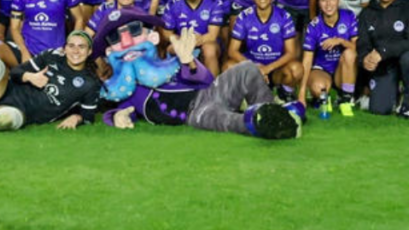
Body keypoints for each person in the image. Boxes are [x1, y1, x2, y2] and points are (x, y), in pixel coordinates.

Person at [93, 11, 302, 139]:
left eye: (134, 30)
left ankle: (272, 111)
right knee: (227, 120)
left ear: (153, 37)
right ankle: (262, 122)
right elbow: (120, 110)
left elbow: (207, 80)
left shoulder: (169, 64)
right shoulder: (124, 89)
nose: (128, 42)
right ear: (110, 53)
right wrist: (117, 116)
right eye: (116, 37)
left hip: (209, 93)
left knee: (247, 69)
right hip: (196, 114)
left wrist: (189, 61)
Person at [356, 0, 409, 118]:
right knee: (379, 109)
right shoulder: (367, 13)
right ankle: (395, 92)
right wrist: (365, 59)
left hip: (405, 61)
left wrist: (383, 51)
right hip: (383, 66)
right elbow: (363, 43)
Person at [226, 0, 304, 102]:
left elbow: (291, 53)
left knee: (296, 69)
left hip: (276, 68)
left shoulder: (284, 16)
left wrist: (267, 69)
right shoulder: (244, 17)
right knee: (228, 67)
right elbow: (232, 51)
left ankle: (283, 93)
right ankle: (244, 96)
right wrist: (255, 67)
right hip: (253, 67)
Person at [299, 0, 358, 116]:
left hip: (343, 69)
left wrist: (341, 41)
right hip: (321, 69)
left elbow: (358, 48)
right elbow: (307, 60)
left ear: (338, 0)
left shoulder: (349, 17)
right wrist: (301, 94)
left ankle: (346, 100)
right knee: (319, 87)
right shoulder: (314, 26)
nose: (328, 4)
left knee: (349, 52)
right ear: (319, 3)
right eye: (323, 0)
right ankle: (320, 97)